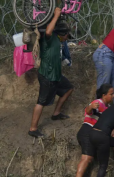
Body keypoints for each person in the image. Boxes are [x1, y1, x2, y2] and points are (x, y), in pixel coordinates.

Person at [28, 8, 73, 138]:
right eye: (67, 35)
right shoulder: (49, 38)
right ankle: (33, 128)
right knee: (41, 102)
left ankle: (56, 114)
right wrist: (55, 15)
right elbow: (48, 30)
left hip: (56, 76)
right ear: (62, 33)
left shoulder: (59, 41)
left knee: (68, 88)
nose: (67, 38)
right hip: (47, 76)